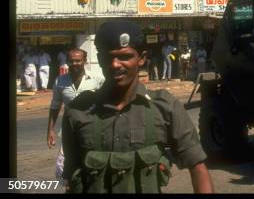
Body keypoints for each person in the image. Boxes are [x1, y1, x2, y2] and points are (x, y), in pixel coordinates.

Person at [61, 20, 214, 193]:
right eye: (108, 57)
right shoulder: (78, 112)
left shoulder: (164, 108)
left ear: (141, 59)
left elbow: (198, 168)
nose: (115, 64)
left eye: (125, 57)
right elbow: (72, 179)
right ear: (99, 59)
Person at [47, 48, 105, 179]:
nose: (75, 64)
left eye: (78, 61)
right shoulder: (60, 81)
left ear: (84, 61)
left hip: (93, 128)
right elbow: (55, 106)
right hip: (69, 130)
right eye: (72, 61)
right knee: (65, 166)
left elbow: (105, 102)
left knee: (93, 162)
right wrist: (50, 130)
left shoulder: (97, 79)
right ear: (67, 62)